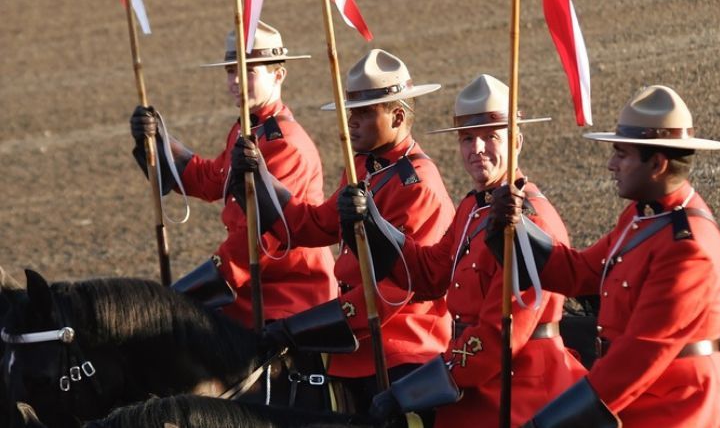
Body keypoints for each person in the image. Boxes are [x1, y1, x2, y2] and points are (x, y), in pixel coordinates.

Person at [339, 74, 587, 427]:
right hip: (472, 386)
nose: (477, 149)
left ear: (516, 141)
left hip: (519, 394)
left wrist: (408, 391)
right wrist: (373, 224)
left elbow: (499, 337)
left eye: (491, 137)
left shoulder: (531, 221)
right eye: (467, 139)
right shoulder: (473, 207)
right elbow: (427, 275)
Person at [489, 85, 720, 427]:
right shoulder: (642, 218)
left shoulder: (689, 249)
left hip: (678, 415)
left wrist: (549, 422)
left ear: (657, 163)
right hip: (633, 405)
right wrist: (514, 225)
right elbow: (578, 273)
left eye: (621, 154)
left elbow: (637, 357)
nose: (611, 165)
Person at [232, 48, 456, 417]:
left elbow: (395, 292)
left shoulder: (417, 185)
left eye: (364, 113)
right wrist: (258, 180)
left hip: (401, 347)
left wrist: (299, 328)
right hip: (355, 345)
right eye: (350, 112)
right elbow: (315, 224)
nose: (351, 121)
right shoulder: (363, 166)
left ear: (398, 115)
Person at [129, 22, 336, 328]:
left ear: (278, 75)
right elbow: (211, 179)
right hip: (251, 286)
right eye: (230, 71)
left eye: (248, 71)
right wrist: (158, 142)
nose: (236, 79)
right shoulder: (246, 130)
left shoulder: (284, 143)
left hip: (288, 293)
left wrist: (204, 282)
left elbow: (263, 235)